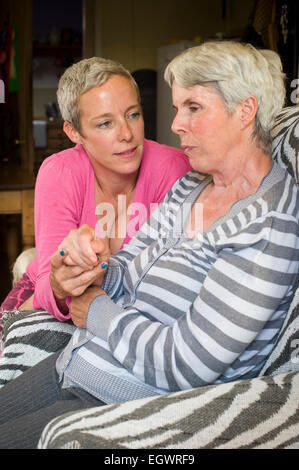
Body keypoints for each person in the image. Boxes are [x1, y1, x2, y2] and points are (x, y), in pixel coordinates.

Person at [0, 41, 298, 449]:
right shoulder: (193, 185)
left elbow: (188, 361)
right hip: (80, 363)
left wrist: (98, 311)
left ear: (245, 111)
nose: (175, 125)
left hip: (121, 401)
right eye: (177, 109)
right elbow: (129, 265)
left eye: (193, 108)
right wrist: (101, 266)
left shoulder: (266, 224)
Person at [0, 57, 190, 321]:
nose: (126, 134)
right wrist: (57, 287)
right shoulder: (59, 172)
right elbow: (47, 282)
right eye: (105, 123)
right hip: (55, 298)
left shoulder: (174, 169)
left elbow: (168, 283)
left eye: (133, 114)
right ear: (74, 132)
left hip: (131, 308)